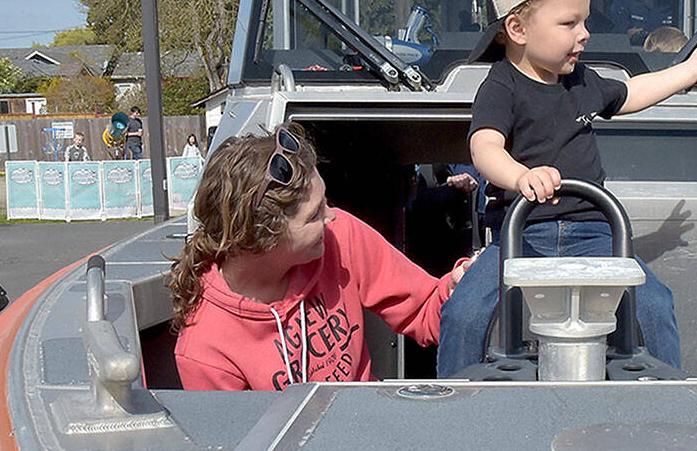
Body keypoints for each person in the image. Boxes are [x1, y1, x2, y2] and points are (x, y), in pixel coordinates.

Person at [437, 0, 697, 377]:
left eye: (584, 22)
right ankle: (453, 400)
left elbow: (631, 92)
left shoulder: (582, 82)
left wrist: (685, 72)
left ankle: (669, 393)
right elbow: (485, 147)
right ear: (517, 28)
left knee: (654, 302)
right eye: (569, 24)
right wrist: (519, 177)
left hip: (595, 232)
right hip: (521, 236)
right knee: (464, 313)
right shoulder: (501, 87)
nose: (584, 34)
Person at [168, 124, 470, 391]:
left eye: (324, 202)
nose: (331, 217)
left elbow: (425, 309)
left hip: (368, 427)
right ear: (263, 238)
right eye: (314, 215)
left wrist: (457, 291)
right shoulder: (204, 347)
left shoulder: (340, 235)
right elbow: (242, 448)